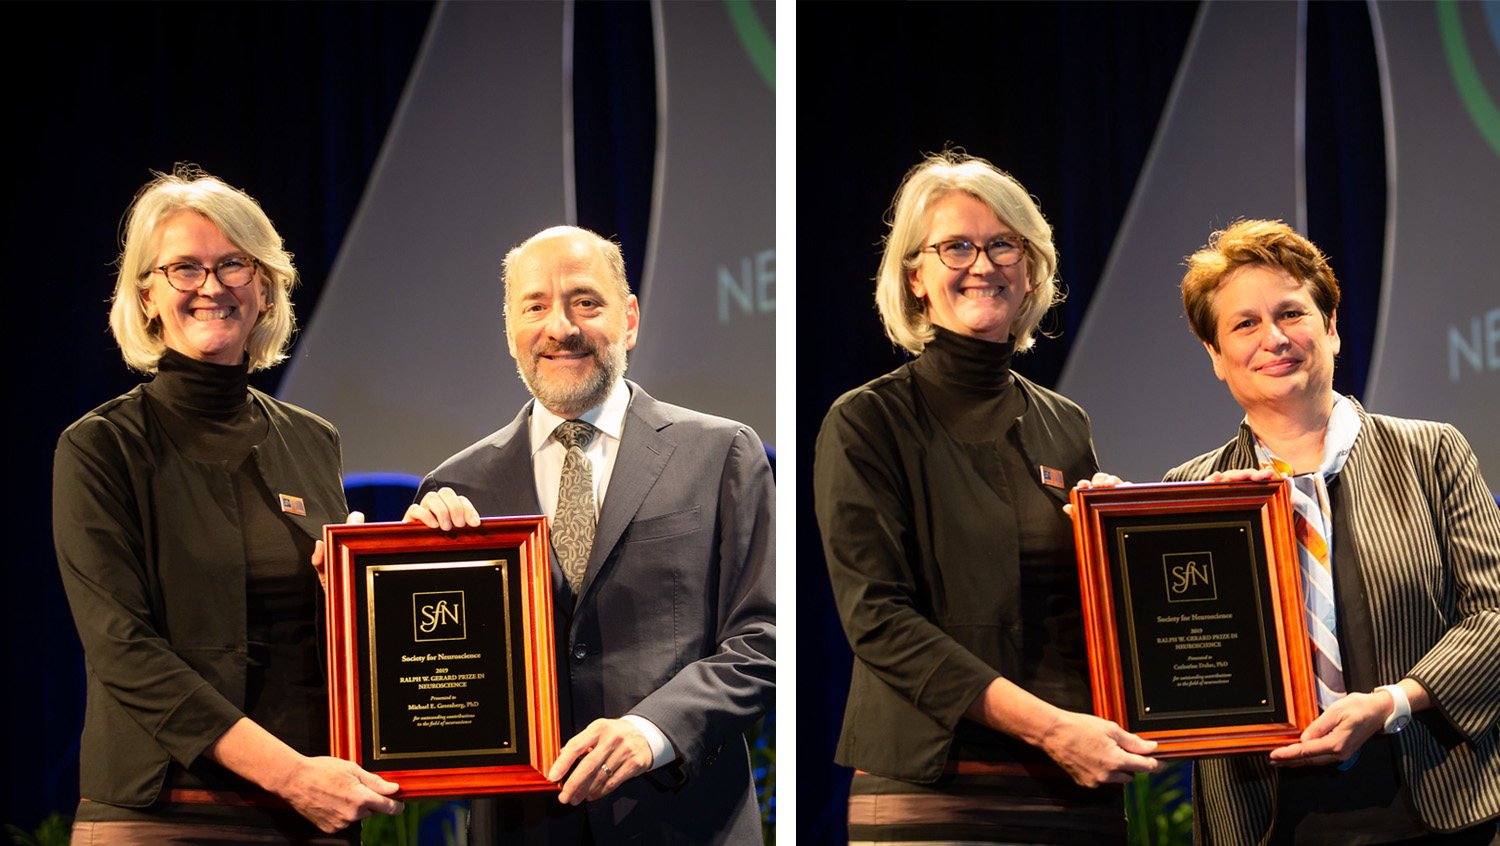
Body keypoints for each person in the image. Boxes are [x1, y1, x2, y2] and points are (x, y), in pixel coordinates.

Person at [812, 150, 1161, 846]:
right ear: (915, 275)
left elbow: (1086, 613)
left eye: (1004, 244)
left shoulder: (1066, 424)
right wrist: (1051, 729)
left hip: (1076, 785)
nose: (983, 263)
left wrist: (1117, 542)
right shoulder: (866, 420)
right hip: (934, 787)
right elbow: (878, 621)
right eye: (956, 246)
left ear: (1031, 267)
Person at [52, 166, 409, 844]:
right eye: (183, 268)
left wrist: (400, 571)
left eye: (233, 265)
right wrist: (291, 776)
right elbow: (124, 651)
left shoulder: (312, 441)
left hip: (312, 816)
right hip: (162, 816)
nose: (210, 287)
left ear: (266, 288)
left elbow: (329, 637)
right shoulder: (100, 448)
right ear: (147, 296)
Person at [412, 225, 775, 845]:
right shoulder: (454, 489)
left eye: (585, 301)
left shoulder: (722, 453)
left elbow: (767, 640)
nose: (560, 327)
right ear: (510, 330)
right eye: (535, 306)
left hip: (686, 823)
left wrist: (651, 732)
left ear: (628, 319)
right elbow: (435, 681)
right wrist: (415, 574)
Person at [1168, 219, 1500, 844]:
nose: (1273, 337)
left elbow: (1496, 617)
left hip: (1442, 810)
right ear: (1215, 356)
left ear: (1332, 329)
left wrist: (1394, 702)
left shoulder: (1431, 453)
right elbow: (1175, 668)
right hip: (1266, 822)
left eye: (1292, 313)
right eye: (1243, 324)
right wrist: (1106, 550)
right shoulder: (1190, 492)